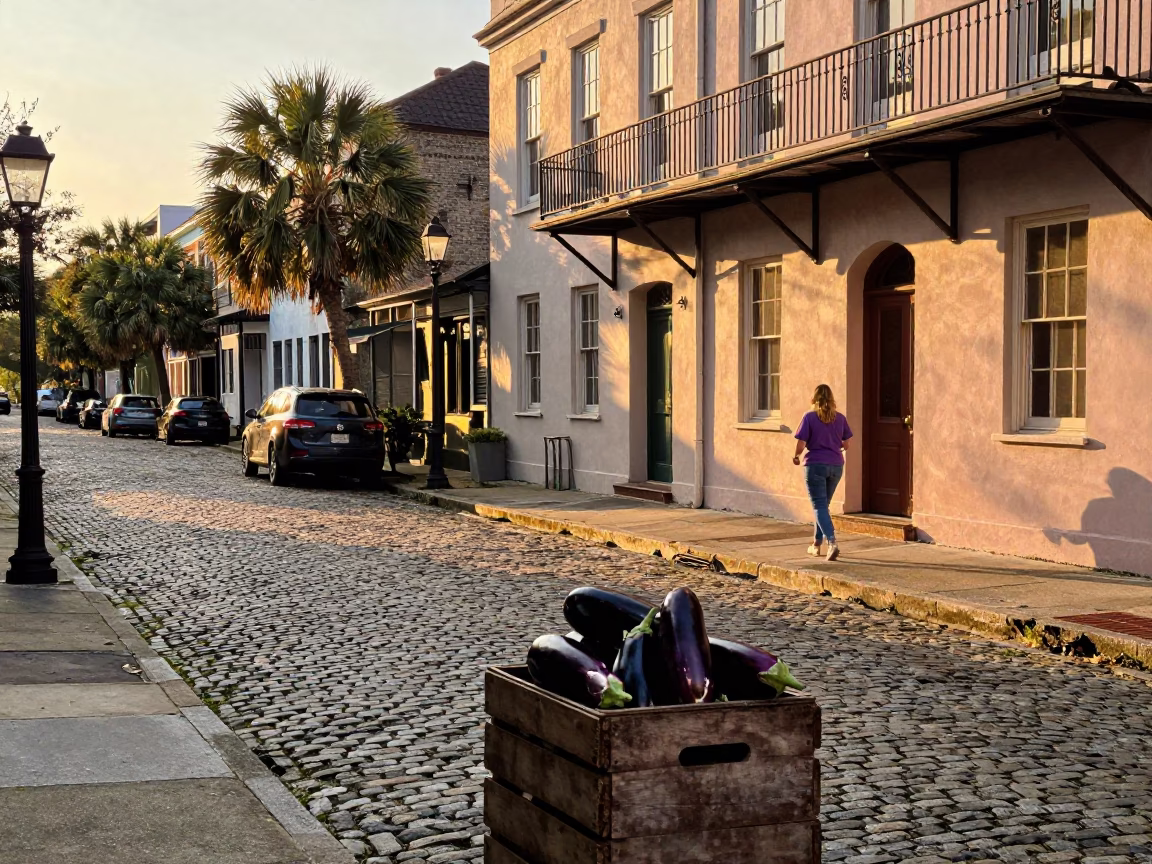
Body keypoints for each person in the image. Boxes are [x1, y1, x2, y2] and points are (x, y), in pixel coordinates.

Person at [793, 384, 853, 561]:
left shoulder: (809, 417)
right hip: (836, 465)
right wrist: (834, 446)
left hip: (815, 465)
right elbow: (847, 444)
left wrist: (796, 456)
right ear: (832, 399)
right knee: (823, 506)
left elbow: (801, 443)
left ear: (814, 398)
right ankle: (816, 544)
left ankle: (832, 542)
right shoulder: (840, 418)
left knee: (819, 505)